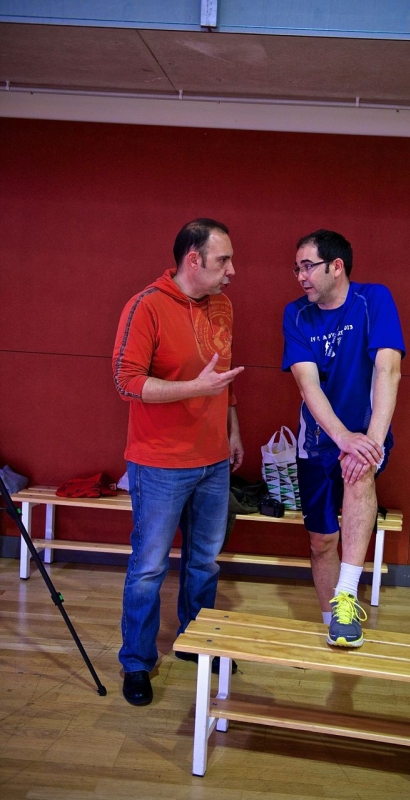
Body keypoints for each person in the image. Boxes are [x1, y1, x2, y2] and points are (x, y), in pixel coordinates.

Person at [113, 218, 244, 705]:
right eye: (223, 260)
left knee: (204, 562)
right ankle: (136, 662)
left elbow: (221, 377)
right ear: (194, 259)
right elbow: (126, 381)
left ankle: (195, 642)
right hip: (160, 464)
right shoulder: (146, 305)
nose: (232, 270)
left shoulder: (223, 305)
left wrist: (233, 428)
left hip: (213, 461)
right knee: (149, 568)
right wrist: (194, 388)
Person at [282, 229, 405, 648]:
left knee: (360, 473)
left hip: (369, 434)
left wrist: (369, 443)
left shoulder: (374, 300)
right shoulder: (296, 314)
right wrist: (342, 438)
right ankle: (331, 622)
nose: (300, 276)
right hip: (319, 440)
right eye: (296, 268)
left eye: (308, 266)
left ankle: (347, 597)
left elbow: (388, 370)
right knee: (321, 541)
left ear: (336, 266)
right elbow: (308, 385)